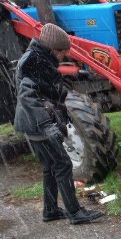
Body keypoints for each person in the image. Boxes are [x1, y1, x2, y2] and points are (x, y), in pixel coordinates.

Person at [13, 23, 103, 225]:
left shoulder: (38, 58)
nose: (64, 56)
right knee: (62, 164)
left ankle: (51, 210)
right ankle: (75, 213)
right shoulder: (34, 61)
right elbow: (27, 96)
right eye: (63, 52)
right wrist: (47, 124)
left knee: (50, 167)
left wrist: (80, 77)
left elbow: (50, 88)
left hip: (31, 122)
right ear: (54, 49)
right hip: (37, 123)